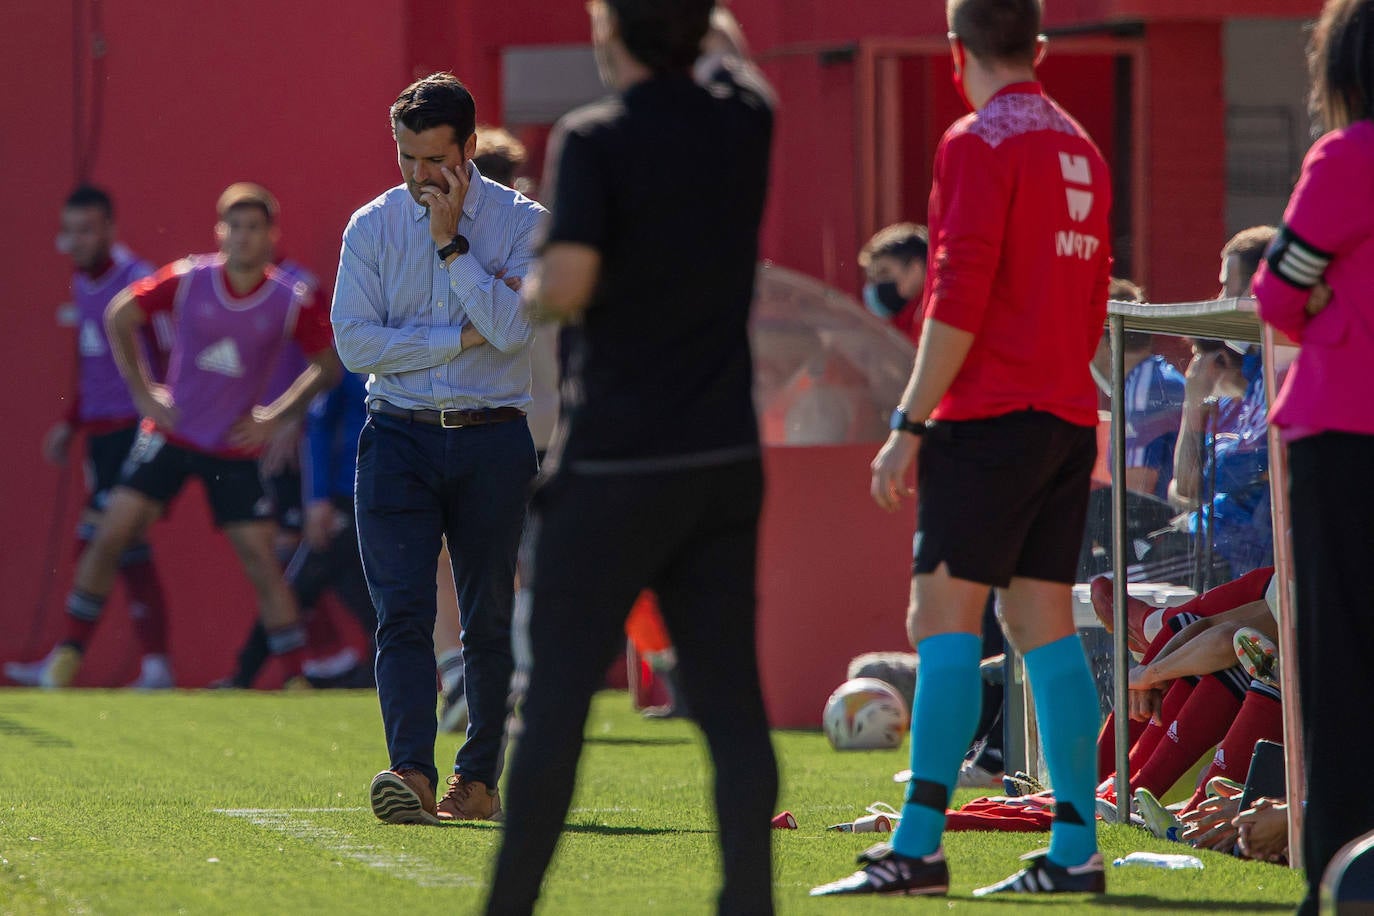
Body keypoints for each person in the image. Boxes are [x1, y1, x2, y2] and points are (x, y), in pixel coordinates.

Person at [813, 0, 1112, 897]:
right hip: (1065, 416)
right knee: (1039, 627)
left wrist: (908, 424)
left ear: (955, 51)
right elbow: (1091, 296)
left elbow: (957, 292)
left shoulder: (976, 141)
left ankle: (917, 848)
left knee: (939, 623)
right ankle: (1074, 853)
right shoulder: (1081, 149)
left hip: (989, 419)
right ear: (1040, 47)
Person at [485, 4, 777, 913]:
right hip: (723, 455)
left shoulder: (594, 136)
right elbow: (737, 62)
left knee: (560, 702)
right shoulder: (746, 119)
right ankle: (748, 901)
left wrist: (527, 286)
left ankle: (510, 904)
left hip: (614, 462)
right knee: (731, 706)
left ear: (612, 35)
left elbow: (565, 285)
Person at [332, 72, 544, 825]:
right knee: (402, 614)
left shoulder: (523, 223)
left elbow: (517, 331)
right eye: (405, 157)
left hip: (493, 440)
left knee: (488, 618)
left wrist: (454, 248)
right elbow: (354, 345)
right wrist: (455, 338)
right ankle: (412, 774)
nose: (418, 175)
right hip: (396, 437)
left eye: (433, 160)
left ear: (470, 149)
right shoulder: (372, 224)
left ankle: (477, 781)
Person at [29, 183, 341, 690]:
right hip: (169, 438)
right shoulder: (189, 278)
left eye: (253, 228)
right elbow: (121, 314)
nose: (242, 237)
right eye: (233, 227)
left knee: (263, 564)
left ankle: (295, 679)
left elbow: (326, 366)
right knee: (110, 534)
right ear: (220, 232)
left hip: (232, 449)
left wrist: (277, 416)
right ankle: (66, 656)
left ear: (270, 236)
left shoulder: (290, 299)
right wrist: (146, 394)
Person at [1253, 1, 1374, 909]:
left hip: (1343, 434)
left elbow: (1278, 290)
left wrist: (1330, 306)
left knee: (1337, 666)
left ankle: (1336, 872)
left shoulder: (1347, 156)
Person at [6, 186, 175, 689]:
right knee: (126, 549)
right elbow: (96, 364)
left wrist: (159, 412)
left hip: (133, 431)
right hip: (100, 434)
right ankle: (155, 667)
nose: (76, 241)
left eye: (86, 229)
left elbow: (165, 352)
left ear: (108, 228)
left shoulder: (137, 281)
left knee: (98, 542)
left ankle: (65, 660)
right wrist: (73, 422)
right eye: (69, 231)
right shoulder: (83, 282)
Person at [857, 222, 928, 342]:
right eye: (872, 279)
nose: (877, 284)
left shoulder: (934, 316)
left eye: (884, 272)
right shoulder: (900, 327)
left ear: (915, 269)